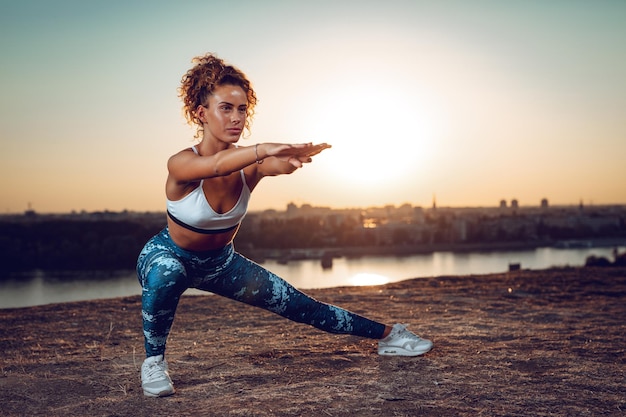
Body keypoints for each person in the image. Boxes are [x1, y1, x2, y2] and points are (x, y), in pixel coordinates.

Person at [136, 53, 433, 398]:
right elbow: (216, 165)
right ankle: (154, 362)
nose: (236, 117)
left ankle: (392, 336)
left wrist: (292, 160)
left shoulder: (251, 166)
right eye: (226, 108)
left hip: (221, 264)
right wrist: (263, 149)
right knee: (166, 273)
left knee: (300, 305)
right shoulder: (181, 163)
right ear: (201, 113)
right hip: (168, 253)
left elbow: (272, 164)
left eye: (242, 109)